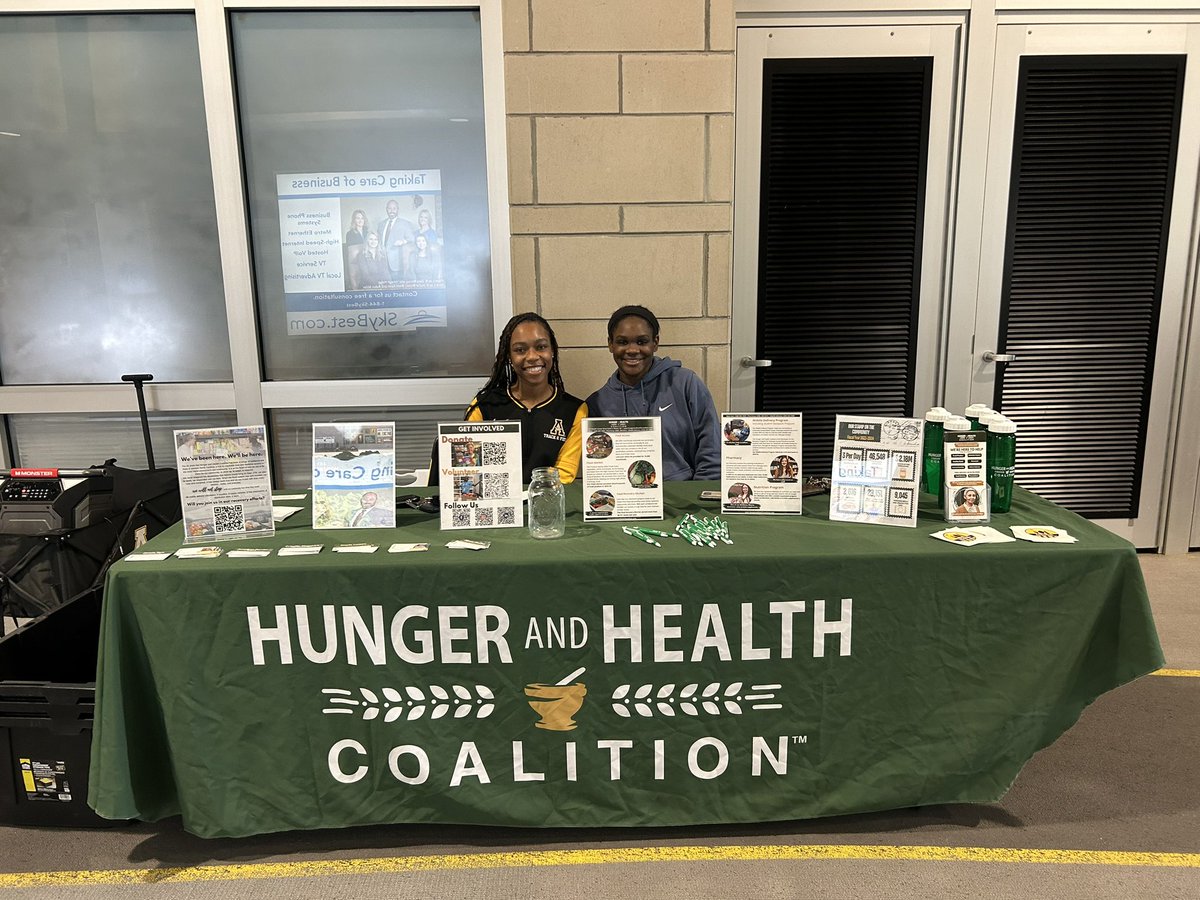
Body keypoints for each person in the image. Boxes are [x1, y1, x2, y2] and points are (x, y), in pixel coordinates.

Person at [429, 313, 587, 485]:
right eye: (520, 350)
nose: (532, 356)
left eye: (541, 347)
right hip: (495, 505)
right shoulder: (485, 406)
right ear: (509, 357)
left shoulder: (574, 410)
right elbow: (468, 468)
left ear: (552, 351)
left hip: (546, 504)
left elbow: (563, 475)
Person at [586, 305, 721, 481]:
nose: (633, 350)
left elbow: (711, 447)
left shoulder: (685, 383)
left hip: (684, 498)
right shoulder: (597, 403)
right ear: (610, 344)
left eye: (642, 341)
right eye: (622, 342)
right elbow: (600, 468)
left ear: (655, 343)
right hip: (627, 501)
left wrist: (697, 496)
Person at [376, 199, 416, 279]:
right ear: (386, 209)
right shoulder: (381, 224)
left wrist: (403, 241)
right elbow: (378, 241)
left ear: (398, 210)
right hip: (382, 262)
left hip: (397, 263)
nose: (392, 211)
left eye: (394, 208)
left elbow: (412, 239)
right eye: (389, 208)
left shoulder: (405, 223)